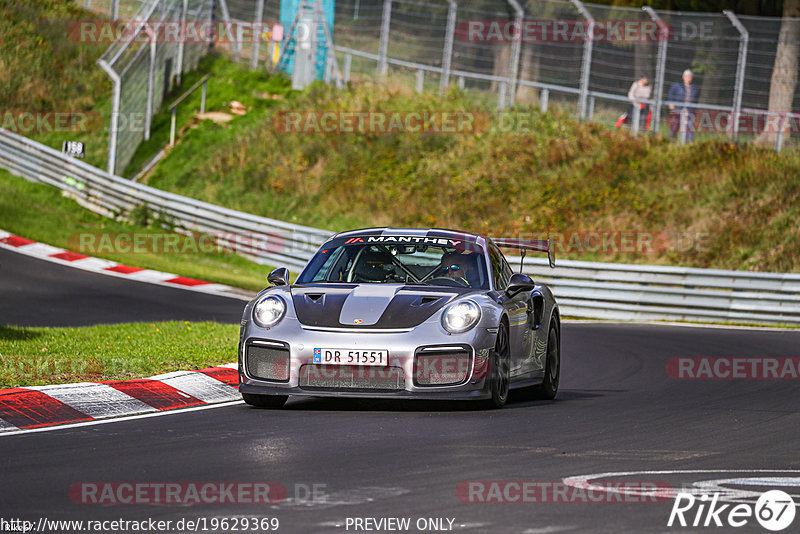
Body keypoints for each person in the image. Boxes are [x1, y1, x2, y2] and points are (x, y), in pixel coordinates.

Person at [667, 69, 699, 141]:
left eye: (690, 76)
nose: (688, 78)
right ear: (683, 77)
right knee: (675, 125)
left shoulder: (694, 88)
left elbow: (696, 100)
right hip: (679, 108)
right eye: (687, 76)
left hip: (690, 109)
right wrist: (671, 103)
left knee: (689, 127)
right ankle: (671, 140)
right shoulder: (677, 86)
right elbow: (671, 94)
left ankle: (688, 142)